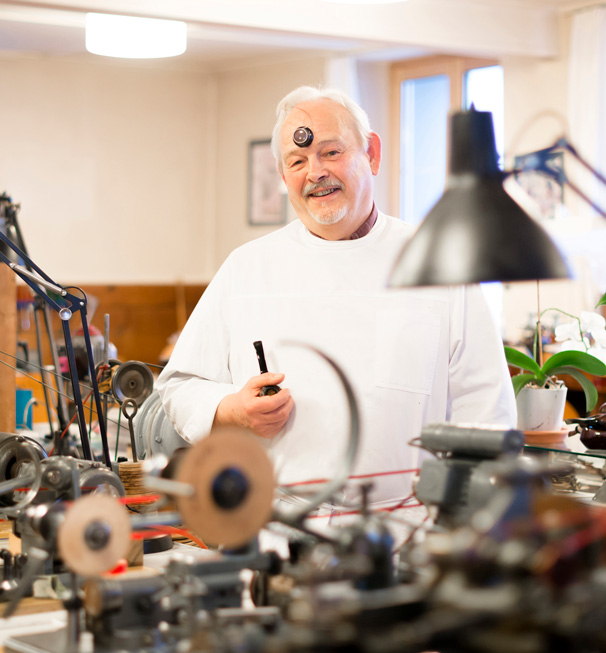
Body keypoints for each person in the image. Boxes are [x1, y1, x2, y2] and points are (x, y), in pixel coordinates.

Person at [157, 85, 515, 508]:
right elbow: (180, 385)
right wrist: (232, 409)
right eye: (297, 161)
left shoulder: (438, 263)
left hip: (410, 529)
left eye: (331, 152)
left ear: (373, 154)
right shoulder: (247, 267)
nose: (315, 172)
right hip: (279, 525)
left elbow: (486, 411)